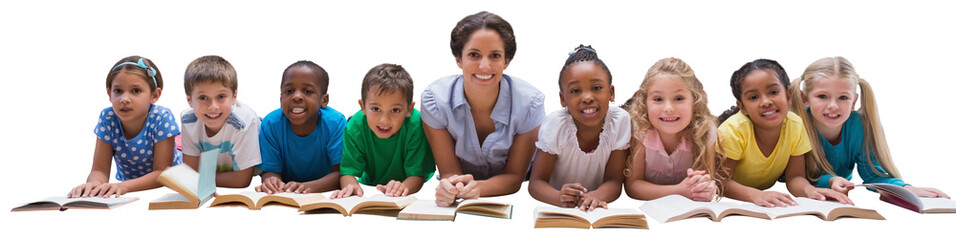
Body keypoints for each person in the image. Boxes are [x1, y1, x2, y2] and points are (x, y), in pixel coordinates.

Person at [421, 11, 545, 207]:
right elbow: (449, 171)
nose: (484, 66)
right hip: (463, 193)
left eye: (495, 56)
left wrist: (477, 189)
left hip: (513, 196)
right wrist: (451, 188)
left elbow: (514, 178)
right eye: (474, 55)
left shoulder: (530, 103)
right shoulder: (434, 100)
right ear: (458, 59)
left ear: (506, 61)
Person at [790, 56, 948, 198]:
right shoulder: (796, 124)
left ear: (853, 101)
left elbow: (873, 175)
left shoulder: (858, 126)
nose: (833, 106)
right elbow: (798, 176)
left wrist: (907, 189)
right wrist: (830, 180)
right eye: (822, 96)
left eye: (843, 97)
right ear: (805, 99)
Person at [527, 45, 627, 211]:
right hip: (560, 205)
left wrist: (596, 196)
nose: (587, 98)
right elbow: (536, 183)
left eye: (596, 88)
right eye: (575, 90)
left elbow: (614, 182)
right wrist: (558, 197)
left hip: (594, 206)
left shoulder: (619, 121)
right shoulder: (556, 125)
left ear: (611, 93)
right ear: (562, 98)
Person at [69, 56, 182, 198]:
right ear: (109, 94)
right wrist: (93, 185)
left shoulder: (161, 117)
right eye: (118, 91)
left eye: (135, 91)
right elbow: (99, 170)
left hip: (172, 175)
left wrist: (123, 186)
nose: (124, 99)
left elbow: (162, 174)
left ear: (154, 95)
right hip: (128, 184)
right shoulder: (108, 118)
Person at [621, 57, 720, 202]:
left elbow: (707, 179)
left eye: (679, 98)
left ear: (695, 101)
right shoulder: (640, 131)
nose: (668, 108)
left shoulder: (705, 131)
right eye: (658, 99)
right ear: (645, 103)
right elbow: (633, 187)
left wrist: (705, 189)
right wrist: (678, 191)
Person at [331, 63, 435, 198]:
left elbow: (417, 176)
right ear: (363, 107)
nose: (384, 121)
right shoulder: (354, 127)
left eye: (395, 110)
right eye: (375, 109)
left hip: (410, 180)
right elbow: (347, 173)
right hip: (371, 181)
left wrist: (403, 188)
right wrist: (350, 185)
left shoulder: (416, 126)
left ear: (409, 109)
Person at [255, 61, 344, 194]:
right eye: (289, 91)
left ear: (324, 100)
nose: (296, 97)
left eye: (308, 91)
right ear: (281, 99)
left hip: (324, 194)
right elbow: (269, 171)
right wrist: (271, 182)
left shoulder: (335, 123)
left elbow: (342, 173)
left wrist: (308, 187)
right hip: (288, 194)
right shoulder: (271, 124)